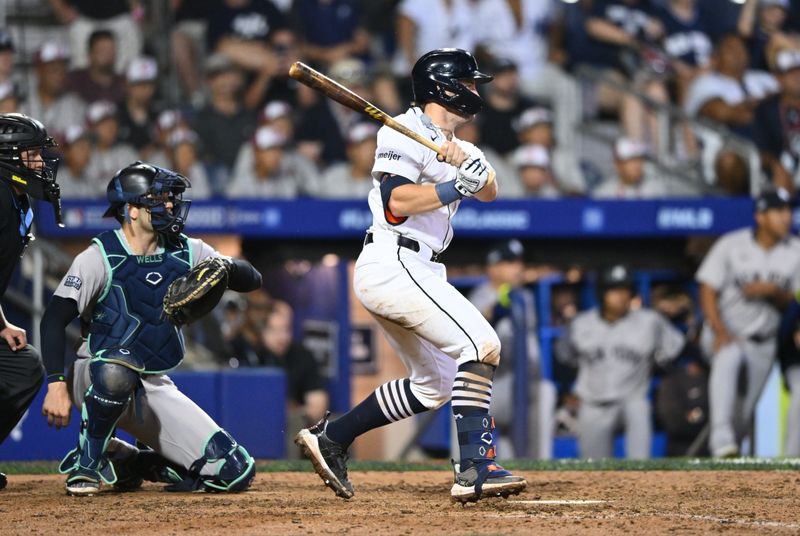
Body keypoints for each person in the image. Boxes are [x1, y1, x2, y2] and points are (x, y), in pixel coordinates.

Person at [294, 48, 527, 502]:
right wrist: (455, 185)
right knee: (481, 344)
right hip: (393, 260)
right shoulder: (399, 131)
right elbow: (395, 204)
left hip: (419, 267)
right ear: (446, 87)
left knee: (435, 384)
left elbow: (492, 191)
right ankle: (475, 468)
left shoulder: (461, 145)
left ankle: (333, 437)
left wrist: (476, 171)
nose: (476, 91)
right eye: (470, 83)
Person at [40, 162, 263, 495]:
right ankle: (88, 462)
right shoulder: (99, 256)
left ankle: (126, 458)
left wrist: (225, 266)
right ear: (131, 210)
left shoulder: (186, 250)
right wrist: (56, 384)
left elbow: (253, 280)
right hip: (96, 370)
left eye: (169, 198)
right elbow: (53, 320)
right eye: (158, 199)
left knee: (234, 471)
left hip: (150, 380)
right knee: (116, 370)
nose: (170, 205)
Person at [696, 188, 800, 457]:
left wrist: (774, 292)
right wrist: (718, 328)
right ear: (761, 216)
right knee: (729, 355)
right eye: (779, 211)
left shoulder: (795, 251)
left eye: (788, 210)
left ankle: (725, 455)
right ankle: (719, 436)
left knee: (741, 417)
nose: (786, 217)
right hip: (725, 331)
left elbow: (793, 303)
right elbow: (707, 287)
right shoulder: (732, 244)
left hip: (763, 342)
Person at [556, 265, 685, 459]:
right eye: (615, 290)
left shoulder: (650, 322)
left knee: (639, 413)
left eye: (625, 290)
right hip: (593, 402)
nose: (622, 296)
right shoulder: (581, 324)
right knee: (592, 469)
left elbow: (676, 350)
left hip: (632, 401)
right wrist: (566, 391)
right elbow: (563, 359)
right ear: (602, 293)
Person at [0, 113, 63, 490]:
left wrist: (2, 323)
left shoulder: (16, 199)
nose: (40, 163)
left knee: (23, 367)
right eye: (33, 154)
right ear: (9, 156)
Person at [468, 240, 556, 459]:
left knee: (546, 392)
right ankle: (466, 468)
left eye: (519, 262)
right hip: (493, 385)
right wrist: (495, 309)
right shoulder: (480, 296)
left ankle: (540, 468)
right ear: (493, 267)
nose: (518, 268)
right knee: (465, 402)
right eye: (510, 262)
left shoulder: (524, 296)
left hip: (524, 382)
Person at [752, 48, 800, 192]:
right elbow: (759, 149)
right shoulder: (765, 110)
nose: (797, 77)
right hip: (782, 170)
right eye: (790, 73)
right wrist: (775, 165)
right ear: (778, 78)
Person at [21, 41, 86, 138]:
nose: (59, 76)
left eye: (62, 70)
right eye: (53, 70)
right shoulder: (23, 103)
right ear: (38, 71)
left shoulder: (76, 105)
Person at [314, 122, 378, 199]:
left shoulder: (386, 183)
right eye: (365, 148)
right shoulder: (332, 177)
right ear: (350, 151)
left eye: (375, 147)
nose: (371, 153)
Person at [592, 137, 667, 198]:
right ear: (617, 164)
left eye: (639, 159)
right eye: (631, 160)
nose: (637, 165)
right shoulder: (605, 194)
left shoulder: (655, 190)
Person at [66, 29, 125, 105]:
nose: (108, 55)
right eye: (103, 50)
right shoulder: (74, 81)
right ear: (90, 55)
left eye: (111, 50)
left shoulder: (123, 84)